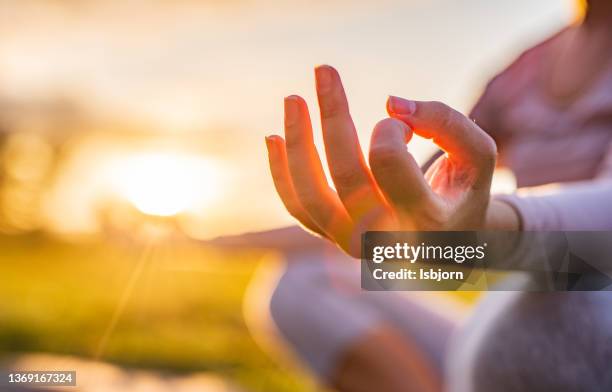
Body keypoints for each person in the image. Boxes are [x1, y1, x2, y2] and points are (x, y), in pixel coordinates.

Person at [263, 1, 612, 390]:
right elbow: (430, 188)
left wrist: (488, 226)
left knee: (550, 306)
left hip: (572, 321)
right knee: (304, 282)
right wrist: (397, 210)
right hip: (505, 340)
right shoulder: (525, 69)